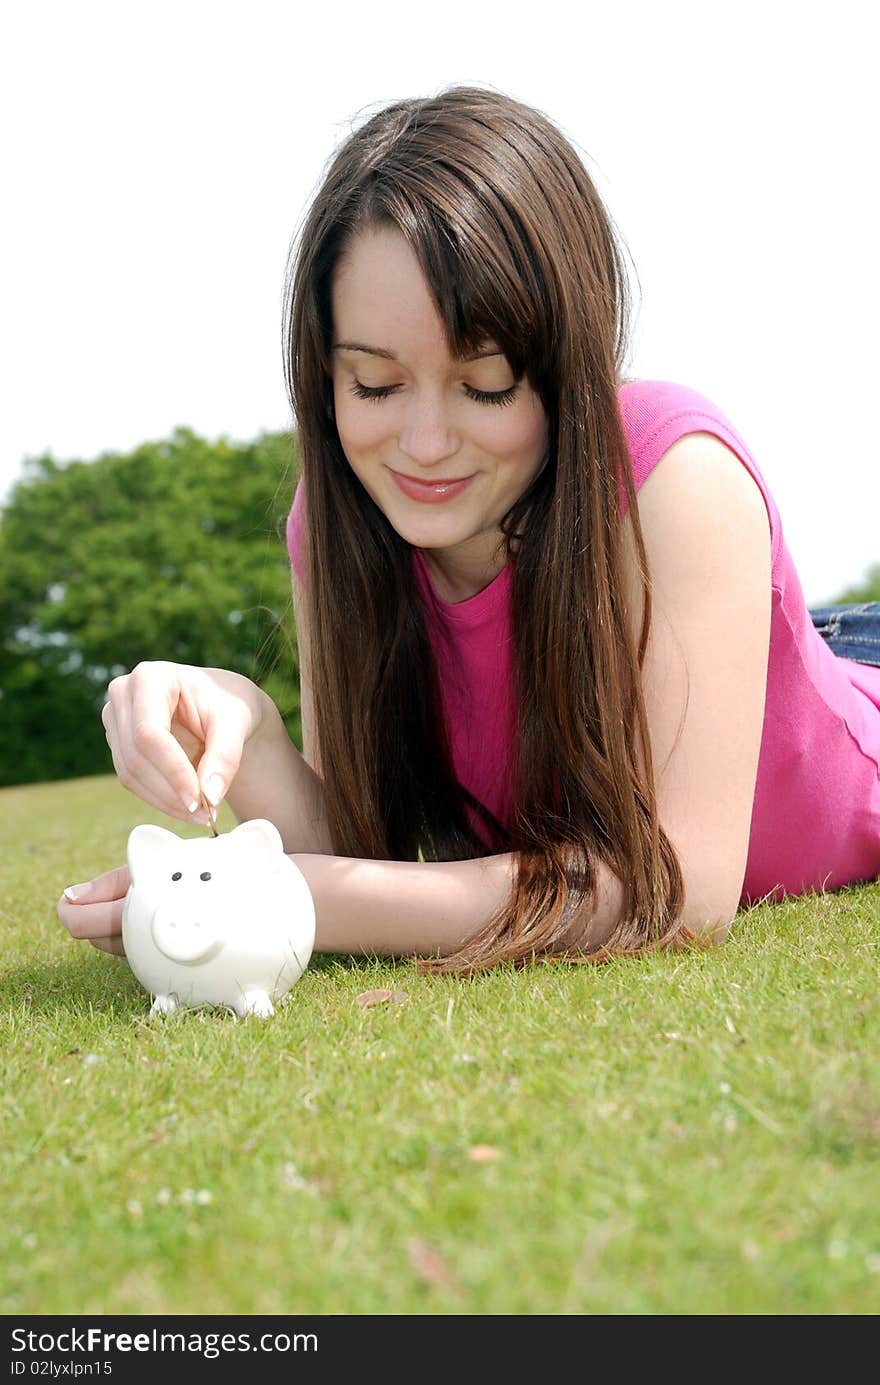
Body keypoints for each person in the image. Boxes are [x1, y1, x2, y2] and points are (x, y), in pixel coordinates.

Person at [57, 85, 880, 976]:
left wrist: (280, 890)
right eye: (374, 384)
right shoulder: (333, 523)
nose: (425, 444)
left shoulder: (672, 472)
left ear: (567, 363)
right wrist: (250, 729)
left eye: (484, 382)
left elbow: (679, 889)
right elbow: (358, 849)